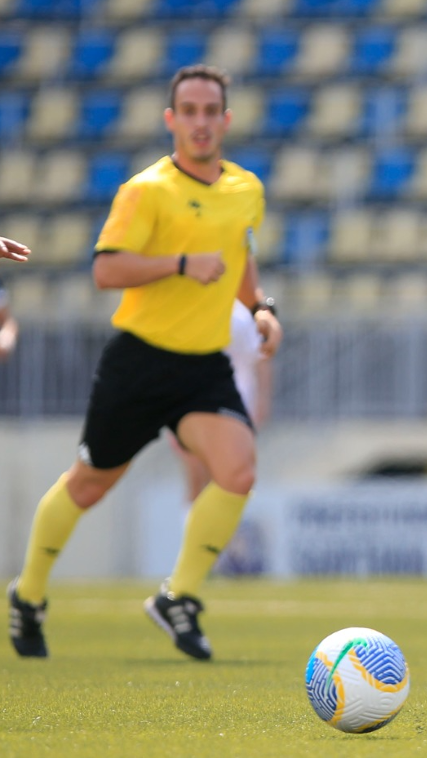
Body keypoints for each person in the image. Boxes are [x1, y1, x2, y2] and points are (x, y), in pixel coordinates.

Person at [7, 64, 282, 662]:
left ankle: (176, 596)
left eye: (212, 111)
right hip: (138, 361)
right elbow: (106, 269)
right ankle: (28, 597)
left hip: (201, 365)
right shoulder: (146, 190)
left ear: (226, 120)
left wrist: (260, 308)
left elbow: (239, 259)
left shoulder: (246, 190)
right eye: (190, 111)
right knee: (90, 484)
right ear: (171, 119)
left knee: (238, 470)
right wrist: (180, 264)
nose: (202, 122)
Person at [167, 298, 272, 508]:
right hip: (192, 405)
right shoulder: (187, 309)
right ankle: (196, 538)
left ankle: (217, 538)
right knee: (197, 478)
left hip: (234, 407)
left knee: (227, 483)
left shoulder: (243, 313)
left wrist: (262, 402)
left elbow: (262, 359)